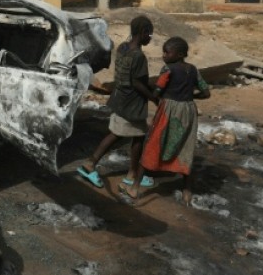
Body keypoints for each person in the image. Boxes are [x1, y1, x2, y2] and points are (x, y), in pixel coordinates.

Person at [127, 36, 211, 206]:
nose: (164, 55)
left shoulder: (167, 69)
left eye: (167, 52)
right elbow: (206, 92)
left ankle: (135, 187)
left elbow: (157, 91)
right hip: (188, 110)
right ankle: (187, 191)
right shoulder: (193, 69)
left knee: (153, 144)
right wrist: (190, 96)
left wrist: (151, 92)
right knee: (185, 147)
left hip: (169, 110)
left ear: (179, 54)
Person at [78, 15, 156, 190]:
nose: (150, 38)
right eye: (149, 35)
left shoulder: (123, 48)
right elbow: (137, 82)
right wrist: (154, 97)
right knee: (132, 136)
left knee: (121, 134)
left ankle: (97, 165)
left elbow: (128, 76)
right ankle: (128, 173)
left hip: (119, 98)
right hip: (132, 103)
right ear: (143, 32)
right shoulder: (138, 57)